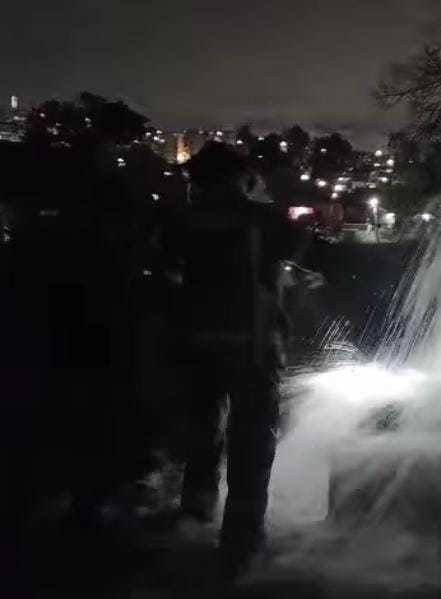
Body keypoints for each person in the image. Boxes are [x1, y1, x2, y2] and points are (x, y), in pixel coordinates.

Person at [161, 143, 321, 570]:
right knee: (251, 441)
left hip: (197, 345)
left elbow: (167, 274)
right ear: (240, 178)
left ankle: (194, 515)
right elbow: (303, 246)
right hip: (252, 347)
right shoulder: (262, 220)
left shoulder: (181, 221)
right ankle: (241, 538)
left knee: (203, 433)